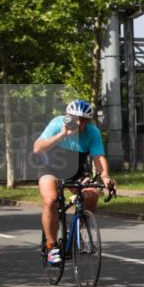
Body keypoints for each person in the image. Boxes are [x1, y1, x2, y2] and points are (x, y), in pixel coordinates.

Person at [33, 100, 114, 265]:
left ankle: (77, 230)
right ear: (68, 117)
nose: (80, 123)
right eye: (76, 118)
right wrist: (61, 135)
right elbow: (38, 147)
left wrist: (105, 176)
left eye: (84, 120)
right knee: (50, 200)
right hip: (50, 169)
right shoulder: (57, 124)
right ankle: (51, 246)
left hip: (75, 171)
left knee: (92, 194)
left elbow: (98, 157)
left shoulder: (92, 132)